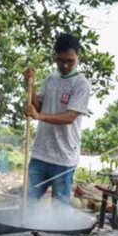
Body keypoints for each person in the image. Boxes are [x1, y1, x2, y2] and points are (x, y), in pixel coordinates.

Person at [23, 33, 91, 202]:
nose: (65, 65)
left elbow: (69, 117)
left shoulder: (81, 84)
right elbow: (38, 106)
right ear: (55, 58)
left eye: (70, 61)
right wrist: (30, 86)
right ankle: (26, 229)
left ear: (78, 58)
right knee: (26, 201)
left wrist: (38, 116)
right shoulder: (51, 78)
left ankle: (56, 230)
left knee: (60, 208)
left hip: (64, 158)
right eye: (61, 60)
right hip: (40, 155)